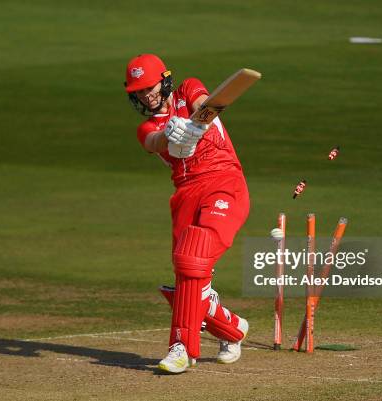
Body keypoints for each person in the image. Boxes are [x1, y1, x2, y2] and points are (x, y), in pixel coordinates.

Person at [124, 54, 250, 374]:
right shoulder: (147, 127)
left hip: (223, 182)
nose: (145, 95)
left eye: (148, 87)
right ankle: (233, 330)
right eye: (138, 91)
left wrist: (196, 123)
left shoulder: (187, 89)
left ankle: (181, 349)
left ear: (164, 80)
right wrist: (170, 134)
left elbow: (205, 103)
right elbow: (153, 141)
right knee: (188, 280)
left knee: (193, 258)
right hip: (185, 195)